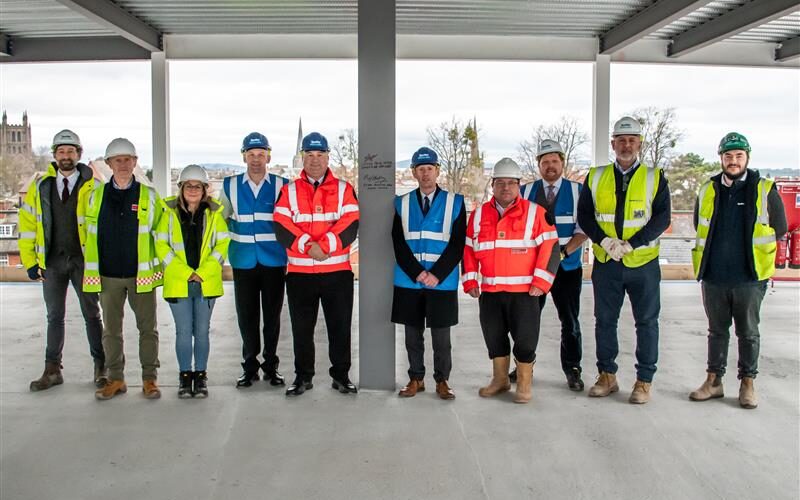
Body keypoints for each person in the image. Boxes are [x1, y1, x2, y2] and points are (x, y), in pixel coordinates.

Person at [576, 116, 671, 404]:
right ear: (613, 144)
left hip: (642, 263)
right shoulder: (595, 176)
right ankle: (607, 375)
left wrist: (632, 244)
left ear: (639, 144)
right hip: (607, 262)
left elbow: (662, 218)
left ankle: (644, 381)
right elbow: (585, 216)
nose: (626, 145)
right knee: (604, 320)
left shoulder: (655, 177)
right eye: (621, 140)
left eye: (631, 140)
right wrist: (603, 241)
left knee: (647, 322)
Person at [689, 132, 786, 409]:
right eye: (728, 156)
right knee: (716, 331)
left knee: (748, 332)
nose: (733, 161)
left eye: (738, 156)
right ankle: (714, 382)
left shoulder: (765, 188)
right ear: (721, 158)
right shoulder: (708, 189)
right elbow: (700, 225)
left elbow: (778, 227)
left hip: (749, 276)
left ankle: (747, 384)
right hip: (714, 275)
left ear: (747, 158)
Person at [462, 158, 559, 404]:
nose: (506, 188)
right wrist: (470, 280)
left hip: (525, 292)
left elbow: (551, 249)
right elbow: (468, 249)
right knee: (494, 337)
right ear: (492, 185)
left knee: (526, 339)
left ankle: (524, 383)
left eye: (511, 183)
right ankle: (501, 380)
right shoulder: (478, 215)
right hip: (491, 291)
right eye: (500, 183)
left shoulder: (536, 213)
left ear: (519, 186)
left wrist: (541, 282)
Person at [274, 132, 360, 397]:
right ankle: (303, 377)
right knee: (301, 328)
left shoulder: (345, 189)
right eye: (309, 155)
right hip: (301, 274)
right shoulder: (288, 191)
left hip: (337, 272)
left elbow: (351, 223)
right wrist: (307, 246)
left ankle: (341, 376)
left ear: (327, 157)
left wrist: (323, 247)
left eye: (319, 155)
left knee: (340, 326)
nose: (314, 160)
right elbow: (281, 225)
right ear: (303, 157)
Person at [18, 129, 105, 391]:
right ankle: (52, 369)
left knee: (92, 314)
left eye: (71, 151)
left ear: (79, 154)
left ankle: (101, 367)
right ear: (55, 155)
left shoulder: (94, 186)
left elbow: (104, 226)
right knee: (54, 316)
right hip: (52, 261)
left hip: (84, 261)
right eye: (61, 151)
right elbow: (28, 224)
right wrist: (30, 261)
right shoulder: (40, 186)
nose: (66, 156)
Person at [83, 138, 164, 401]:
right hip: (107, 275)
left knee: (148, 330)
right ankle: (116, 379)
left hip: (140, 275)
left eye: (128, 159)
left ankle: (149, 379)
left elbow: (162, 234)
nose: (123, 164)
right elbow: (86, 233)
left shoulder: (148, 196)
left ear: (135, 162)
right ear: (108, 164)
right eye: (118, 160)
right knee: (111, 331)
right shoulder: (95, 196)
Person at [392, 147, 466, 400]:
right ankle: (416, 378)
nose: (425, 174)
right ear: (413, 173)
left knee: (441, 338)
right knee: (412, 336)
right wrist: (418, 273)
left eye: (429, 169)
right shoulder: (401, 203)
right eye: (420, 169)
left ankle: (442, 380)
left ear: (437, 171)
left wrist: (436, 274)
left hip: (441, 282)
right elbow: (398, 243)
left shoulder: (455, 202)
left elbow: (458, 243)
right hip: (409, 281)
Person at [514, 139, 588, 391]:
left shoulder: (578, 191)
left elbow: (584, 229)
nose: (550, 166)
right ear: (539, 165)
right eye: (545, 162)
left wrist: (565, 252)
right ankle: (524, 365)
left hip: (567, 268)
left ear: (562, 163)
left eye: (554, 161)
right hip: (533, 269)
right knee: (528, 319)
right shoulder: (524, 192)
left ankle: (573, 369)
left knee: (570, 321)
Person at [220, 132, 288, 388]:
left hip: (273, 260)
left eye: (261, 155)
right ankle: (249, 367)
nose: (256, 160)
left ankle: (271, 366)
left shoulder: (283, 185)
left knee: (272, 317)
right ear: (244, 157)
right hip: (243, 260)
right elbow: (220, 222)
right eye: (251, 155)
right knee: (246, 316)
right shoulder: (230, 186)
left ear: (268, 156)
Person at [156, 165, 230, 398]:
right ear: (180, 188)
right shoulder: (168, 213)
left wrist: (203, 273)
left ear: (205, 189)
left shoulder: (214, 214)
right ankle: (185, 376)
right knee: (183, 331)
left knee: (202, 331)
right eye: (188, 185)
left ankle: (201, 376)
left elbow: (221, 246)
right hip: (179, 283)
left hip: (205, 283)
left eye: (198, 186)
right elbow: (161, 245)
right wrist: (186, 273)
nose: (193, 189)